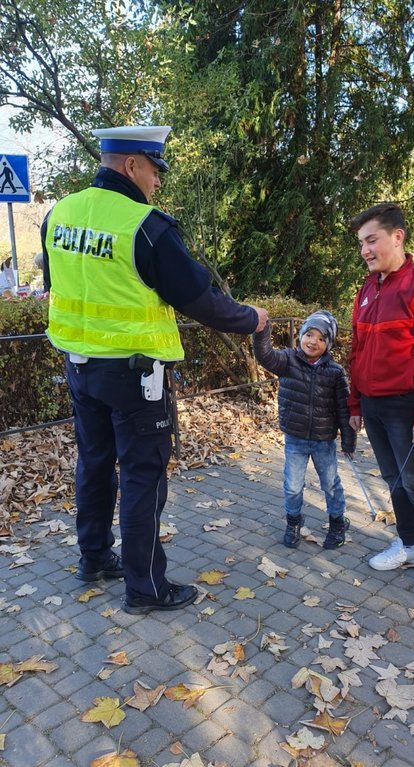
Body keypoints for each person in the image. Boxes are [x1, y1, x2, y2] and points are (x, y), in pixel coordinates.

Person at [41, 125, 268, 615]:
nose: (158, 182)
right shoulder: (145, 226)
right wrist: (253, 318)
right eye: (155, 170)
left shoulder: (58, 214)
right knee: (143, 475)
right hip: (135, 376)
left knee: (95, 462)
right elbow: (200, 301)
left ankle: (95, 557)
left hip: (79, 369)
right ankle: (145, 589)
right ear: (131, 166)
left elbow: (55, 283)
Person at [348, 203, 414, 598]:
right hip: (374, 408)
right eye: (361, 242)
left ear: (397, 237)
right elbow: (357, 351)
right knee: (394, 481)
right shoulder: (366, 290)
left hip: (409, 408)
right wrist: (356, 404)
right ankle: (410, 547)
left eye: (371, 239)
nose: (365, 249)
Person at [253, 311, 356, 549]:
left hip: (323, 440)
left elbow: (343, 409)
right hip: (295, 439)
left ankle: (338, 522)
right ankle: (293, 522)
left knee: (330, 484)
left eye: (321, 338)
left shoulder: (335, 372)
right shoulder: (288, 361)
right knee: (292, 486)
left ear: (327, 344)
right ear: (301, 336)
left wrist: (348, 442)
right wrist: (261, 330)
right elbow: (265, 355)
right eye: (309, 334)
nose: (313, 341)